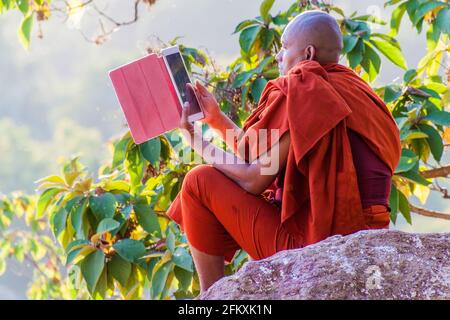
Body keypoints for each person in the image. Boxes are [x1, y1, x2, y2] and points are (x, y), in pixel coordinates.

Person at [166, 10, 401, 292]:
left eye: (285, 47)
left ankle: (213, 295)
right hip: (368, 236)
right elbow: (258, 155)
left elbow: (254, 178)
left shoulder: (307, 90)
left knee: (198, 181)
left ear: (308, 54)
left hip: (320, 244)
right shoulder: (360, 90)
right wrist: (215, 120)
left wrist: (195, 141)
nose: (278, 56)